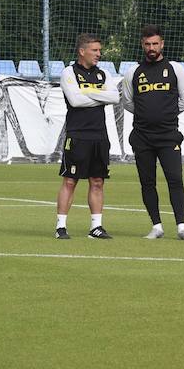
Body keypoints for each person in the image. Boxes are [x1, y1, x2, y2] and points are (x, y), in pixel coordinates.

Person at [120, 25, 184, 240]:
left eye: (155, 43)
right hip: (142, 136)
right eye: (147, 44)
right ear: (142, 45)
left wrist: (166, 114)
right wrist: (147, 114)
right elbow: (128, 102)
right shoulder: (133, 72)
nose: (151, 48)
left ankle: (182, 227)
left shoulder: (175, 69)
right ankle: (156, 226)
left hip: (168, 136)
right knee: (147, 182)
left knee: (175, 179)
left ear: (162, 44)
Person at [55, 33, 120, 240]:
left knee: (98, 181)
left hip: (99, 135)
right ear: (82, 51)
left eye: (99, 50)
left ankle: (96, 227)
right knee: (70, 180)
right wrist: (100, 97)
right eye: (95, 50)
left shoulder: (104, 74)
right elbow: (74, 101)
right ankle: (61, 227)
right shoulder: (69, 72)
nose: (99, 54)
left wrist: (87, 93)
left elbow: (115, 97)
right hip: (77, 135)